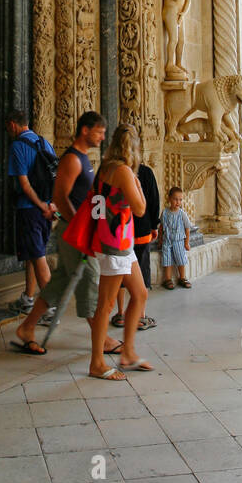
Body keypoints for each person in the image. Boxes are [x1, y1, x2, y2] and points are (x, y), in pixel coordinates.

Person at [12, 111, 118, 356]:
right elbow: (60, 196)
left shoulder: (84, 158)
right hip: (74, 235)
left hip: (77, 231)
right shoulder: (72, 160)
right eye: (99, 132)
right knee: (89, 281)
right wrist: (77, 225)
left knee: (59, 283)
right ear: (85, 130)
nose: (102, 137)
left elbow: (85, 197)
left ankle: (27, 328)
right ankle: (101, 339)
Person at [90, 124, 152, 379]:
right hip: (115, 244)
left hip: (117, 242)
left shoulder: (104, 168)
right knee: (105, 305)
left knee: (140, 293)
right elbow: (140, 209)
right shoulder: (124, 172)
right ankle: (96, 363)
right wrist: (137, 183)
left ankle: (128, 353)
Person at [6, 111, 55, 313]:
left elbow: (24, 185)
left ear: (12, 125)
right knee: (32, 255)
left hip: (30, 210)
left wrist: (39, 205)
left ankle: (51, 308)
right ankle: (28, 297)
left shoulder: (17, 146)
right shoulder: (45, 143)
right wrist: (51, 205)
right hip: (47, 209)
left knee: (38, 255)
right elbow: (56, 175)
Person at [113, 151, 159, 330]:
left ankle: (120, 313)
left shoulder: (113, 174)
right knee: (142, 271)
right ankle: (141, 316)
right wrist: (154, 225)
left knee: (120, 272)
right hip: (140, 230)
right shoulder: (145, 173)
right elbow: (154, 200)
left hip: (121, 232)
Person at [160, 186, 193, 288]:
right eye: (175, 199)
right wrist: (160, 240)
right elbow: (161, 227)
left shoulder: (182, 214)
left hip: (178, 241)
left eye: (180, 199)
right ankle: (168, 279)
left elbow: (187, 228)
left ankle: (182, 277)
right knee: (167, 259)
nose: (178, 202)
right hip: (167, 241)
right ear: (169, 198)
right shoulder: (165, 213)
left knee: (180, 259)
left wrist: (186, 243)